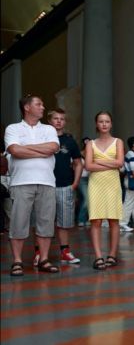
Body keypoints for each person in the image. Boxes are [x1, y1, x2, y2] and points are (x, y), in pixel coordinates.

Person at [5, 95, 61, 276]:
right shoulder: (13, 128)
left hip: (46, 182)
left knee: (46, 222)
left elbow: (52, 148)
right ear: (27, 108)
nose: (43, 107)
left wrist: (26, 147)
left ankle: (43, 259)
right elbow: (14, 150)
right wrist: (40, 149)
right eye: (39, 104)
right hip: (21, 182)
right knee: (18, 222)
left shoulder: (49, 128)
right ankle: (17, 261)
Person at [84, 111, 125, 271]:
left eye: (107, 121)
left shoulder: (118, 142)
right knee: (96, 220)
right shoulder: (90, 144)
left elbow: (120, 162)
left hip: (112, 183)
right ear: (96, 124)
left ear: (111, 124)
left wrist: (99, 162)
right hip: (96, 184)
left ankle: (112, 255)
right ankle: (98, 256)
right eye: (101, 121)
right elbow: (88, 166)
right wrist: (111, 162)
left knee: (114, 220)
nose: (104, 124)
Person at [47, 109, 83, 265]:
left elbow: (78, 163)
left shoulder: (69, 141)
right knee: (43, 221)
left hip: (64, 185)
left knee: (64, 222)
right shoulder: (43, 138)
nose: (59, 121)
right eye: (56, 118)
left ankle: (65, 252)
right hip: (45, 185)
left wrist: (75, 183)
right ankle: (39, 253)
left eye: (62, 118)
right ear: (49, 121)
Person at [76, 138, 91, 227]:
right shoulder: (79, 154)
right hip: (82, 179)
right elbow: (75, 166)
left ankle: (86, 219)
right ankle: (81, 219)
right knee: (86, 199)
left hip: (91, 178)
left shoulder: (92, 154)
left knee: (85, 200)